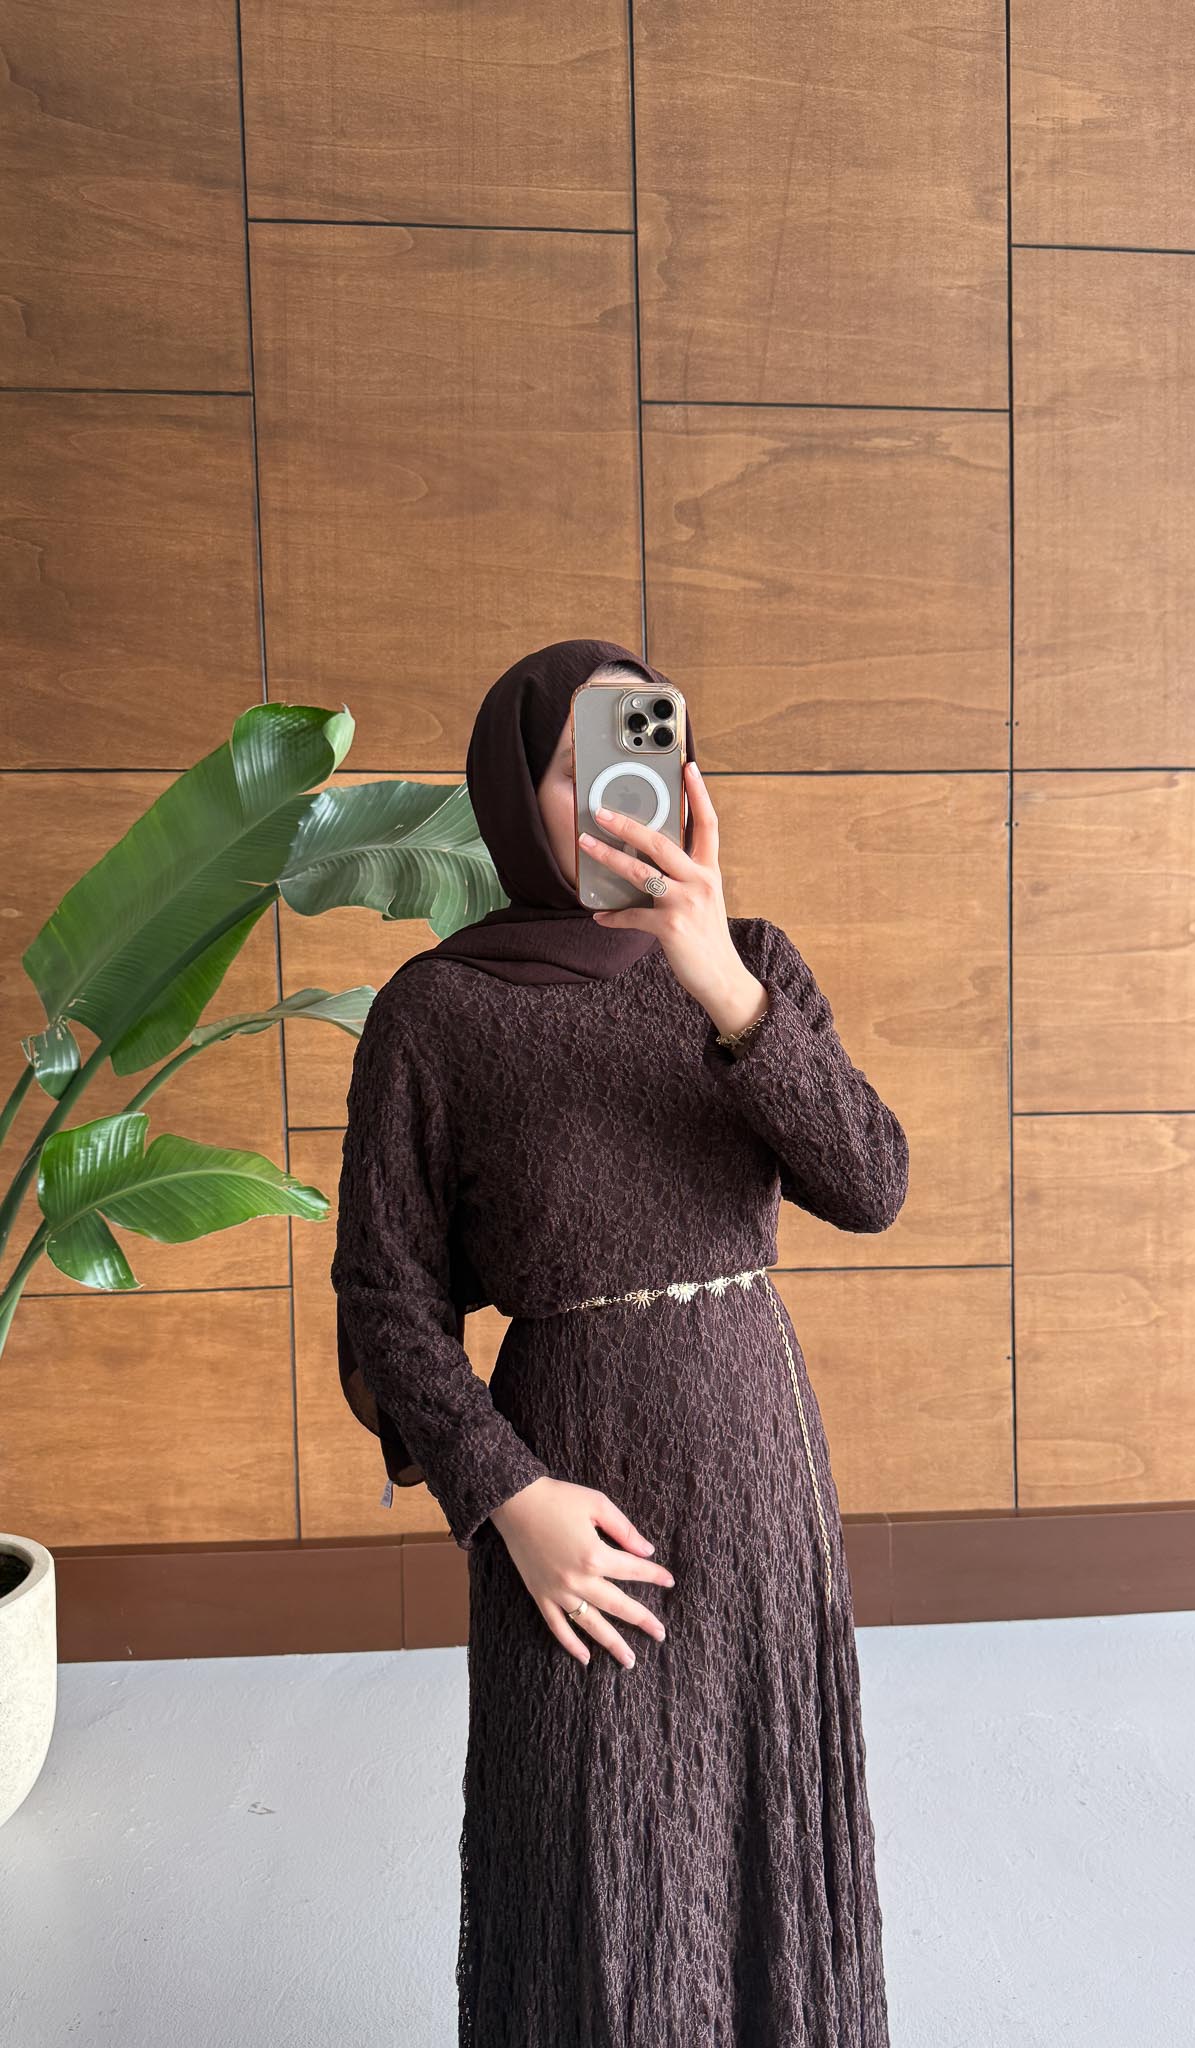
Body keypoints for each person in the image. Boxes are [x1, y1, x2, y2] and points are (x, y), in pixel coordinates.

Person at [331, 636, 909, 2046]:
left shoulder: (751, 965)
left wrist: (720, 985)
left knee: (762, 1821)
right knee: (592, 1848)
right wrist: (506, 1498)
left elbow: (870, 1183)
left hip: (758, 1470)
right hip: (570, 1488)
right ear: (508, 791)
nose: (620, 794)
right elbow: (386, 1301)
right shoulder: (434, 1016)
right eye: (578, 763)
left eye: (646, 748)